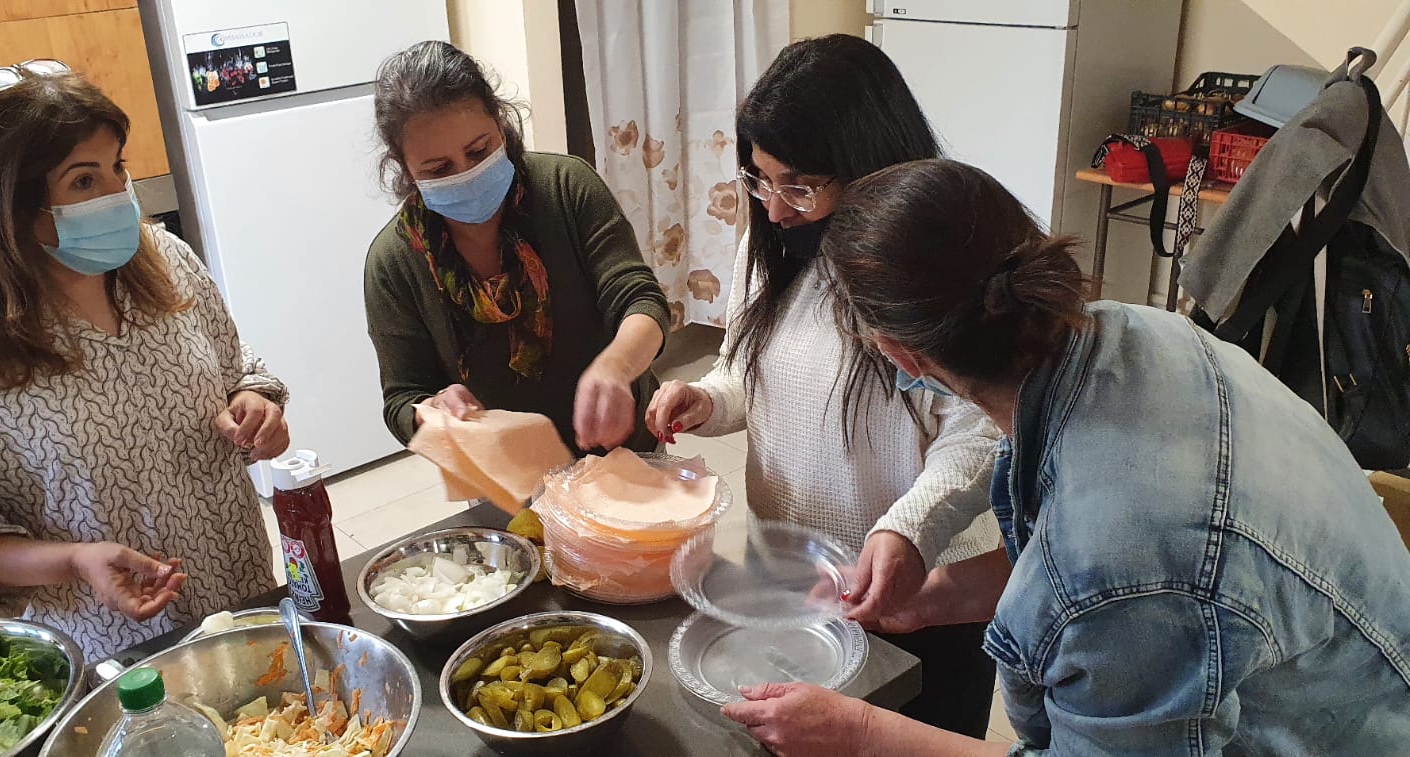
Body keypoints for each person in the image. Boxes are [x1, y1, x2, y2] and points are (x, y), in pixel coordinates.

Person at [723, 158, 1410, 755]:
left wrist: (860, 735)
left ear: (901, 354)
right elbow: (1078, 569)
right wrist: (932, 601)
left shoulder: (1123, 554)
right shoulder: (1130, 330)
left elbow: (1115, 580)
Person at [643, 35, 1002, 736]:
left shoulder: (930, 264)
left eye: (800, 185)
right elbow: (749, 372)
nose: (774, 208)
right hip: (790, 575)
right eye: (759, 178)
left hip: (921, 588)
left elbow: (978, 429)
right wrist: (710, 399)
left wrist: (906, 527)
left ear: (868, 165)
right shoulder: (769, 247)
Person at [0, 63, 288, 660]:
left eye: (117, 167)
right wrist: (74, 559)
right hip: (109, 647)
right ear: (6, 203)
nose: (118, 196)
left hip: (240, 594)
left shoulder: (164, 260)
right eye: (83, 181)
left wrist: (256, 404)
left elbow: (236, 368)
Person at [365, 41, 669, 455]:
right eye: (439, 169)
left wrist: (617, 367)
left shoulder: (565, 188)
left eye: (479, 150)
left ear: (501, 122)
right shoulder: (394, 262)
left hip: (624, 453)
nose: (467, 174)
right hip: (506, 475)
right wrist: (433, 409)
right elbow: (402, 398)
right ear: (404, 169)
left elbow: (640, 299)